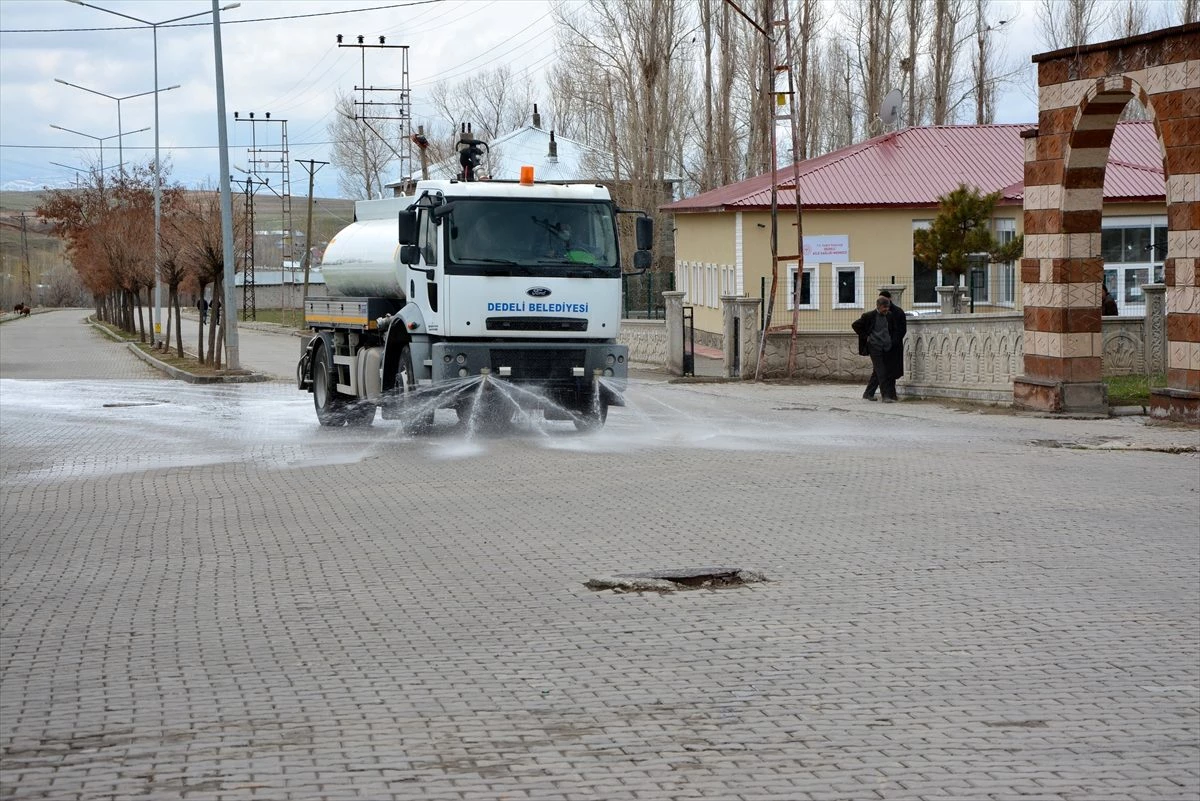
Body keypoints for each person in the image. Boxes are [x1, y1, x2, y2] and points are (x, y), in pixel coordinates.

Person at [852, 294, 907, 402]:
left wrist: (892, 341)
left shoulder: (890, 316)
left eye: (887, 307)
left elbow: (895, 329)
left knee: (878, 371)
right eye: (884, 308)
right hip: (874, 347)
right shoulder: (868, 316)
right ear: (878, 306)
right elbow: (855, 325)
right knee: (882, 371)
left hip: (886, 346)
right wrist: (866, 337)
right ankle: (885, 396)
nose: (886, 310)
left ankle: (868, 393)